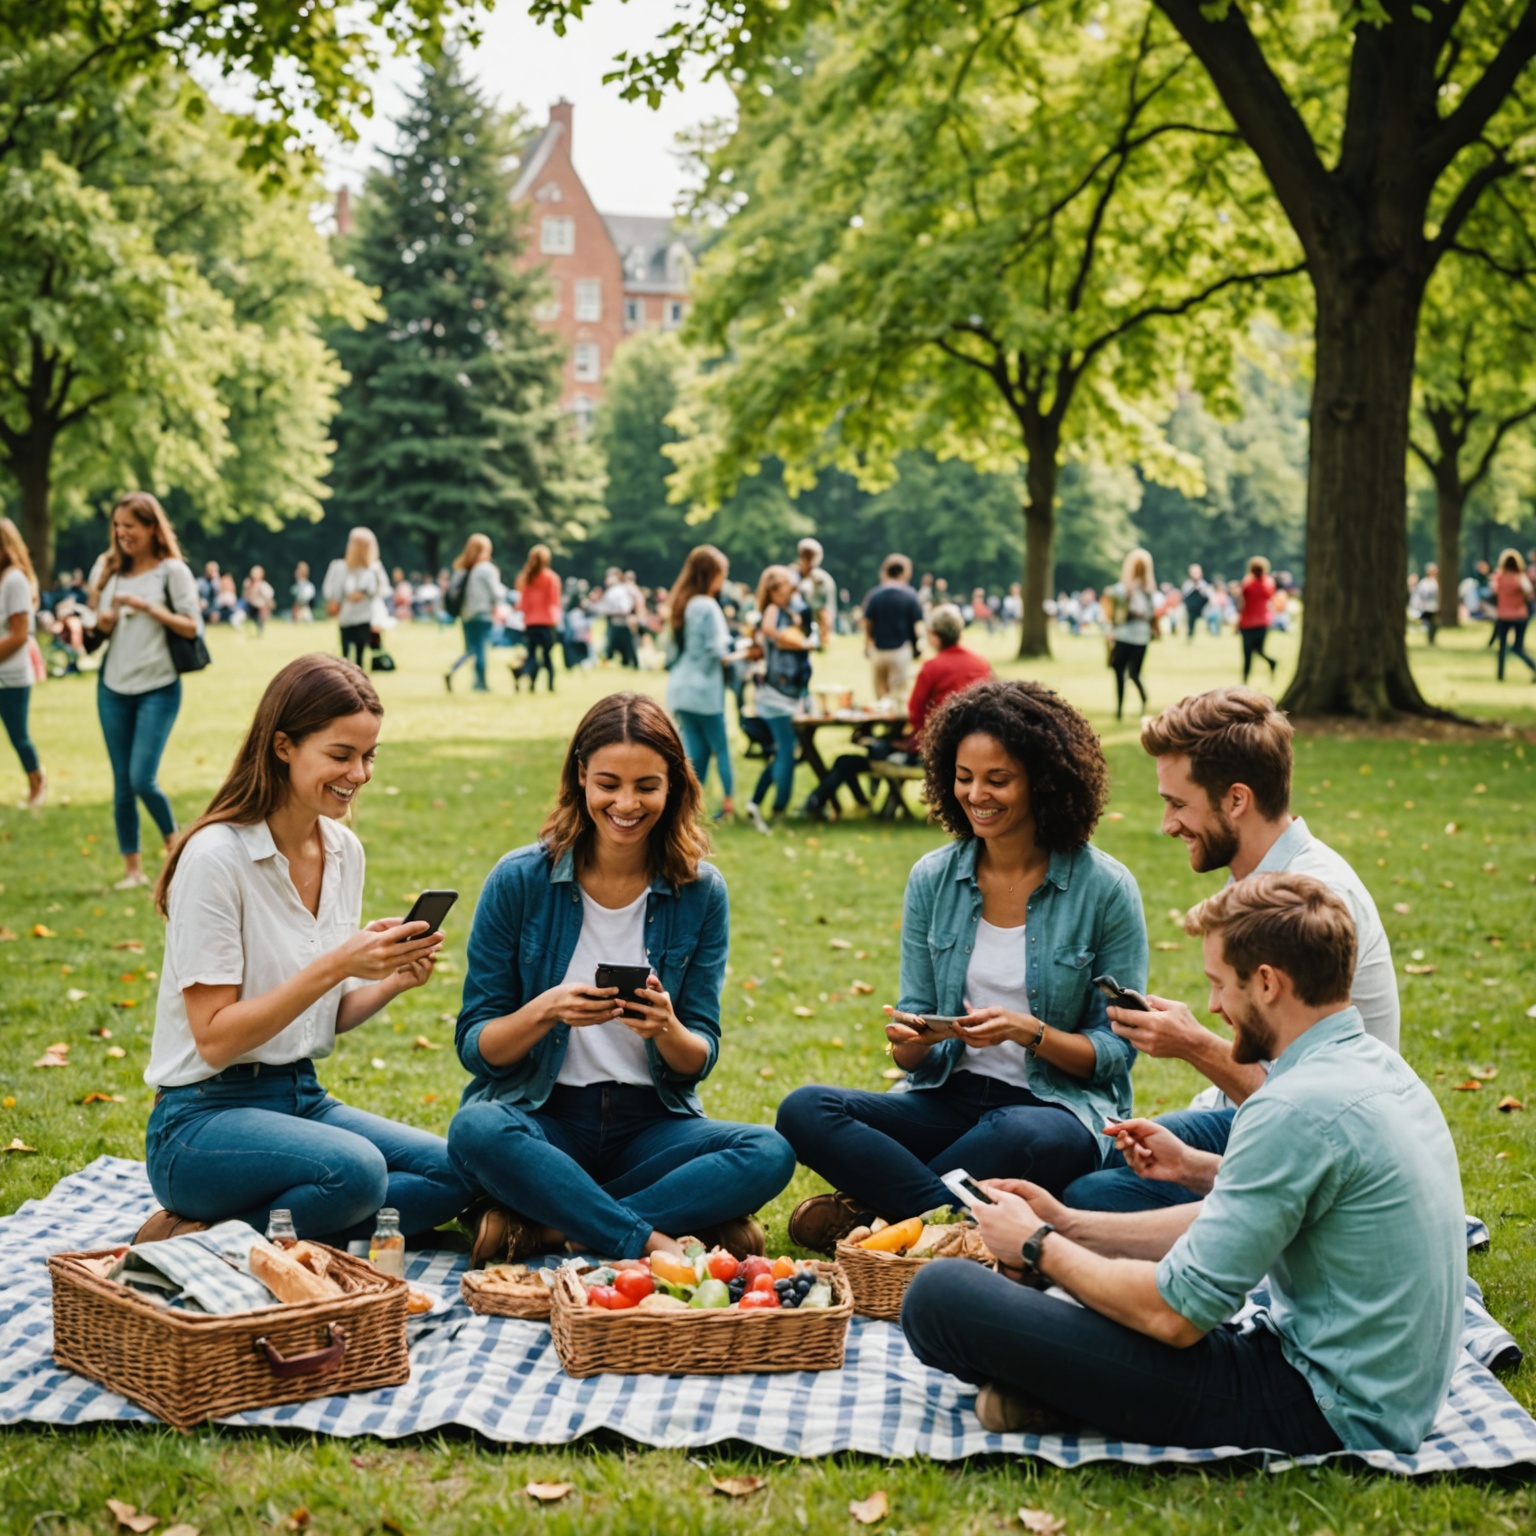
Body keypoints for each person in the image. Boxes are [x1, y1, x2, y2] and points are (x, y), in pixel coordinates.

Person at [903, 873, 1465, 1454]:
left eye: (1219, 985)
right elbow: (1265, 1208)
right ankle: (1054, 1389)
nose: (1214, 1007)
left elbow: (1174, 1315)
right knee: (1058, 1293)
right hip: (1388, 1394)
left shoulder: (1293, 1108)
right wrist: (1070, 1224)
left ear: (1267, 983)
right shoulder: (1376, 1068)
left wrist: (1037, 1244)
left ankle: (1057, 1391)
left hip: (1319, 1406)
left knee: (941, 1296)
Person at [778, 679, 1148, 1252]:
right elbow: (914, 1041)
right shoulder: (933, 878)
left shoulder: (1105, 888)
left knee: (1022, 1133)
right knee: (805, 1110)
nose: (977, 795)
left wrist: (1030, 1032)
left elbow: (1117, 1050)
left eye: (998, 779)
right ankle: (923, 1220)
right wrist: (913, 1040)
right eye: (964, 777)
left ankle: (877, 1213)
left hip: (1052, 1109)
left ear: (1043, 780)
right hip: (949, 1099)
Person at [447, 692, 796, 1264]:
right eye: (608, 784)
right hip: (544, 1119)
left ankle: (555, 1226)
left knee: (769, 1150)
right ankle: (653, 1234)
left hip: (649, 1127)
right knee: (476, 1129)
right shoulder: (518, 880)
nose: (626, 804)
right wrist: (547, 1010)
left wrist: (666, 1028)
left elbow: (698, 1057)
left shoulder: (702, 892)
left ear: (673, 786)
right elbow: (476, 1048)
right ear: (581, 776)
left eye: (646, 787)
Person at [135, 654, 473, 1245]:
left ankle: (248, 1233)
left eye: (369, 756)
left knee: (455, 1170)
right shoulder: (216, 858)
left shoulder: (343, 850)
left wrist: (390, 979)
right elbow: (214, 1038)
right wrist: (337, 964)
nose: (359, 774)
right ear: (283, 746)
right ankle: (197, 1243)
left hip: (300, 1097)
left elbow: (321, 1016)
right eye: (341, 755)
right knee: (355, 1172)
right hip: (201, 1118)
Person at [1063, 686, 1399, 1214]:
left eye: (1179, 804)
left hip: (1329, 1143)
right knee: (1096, 1157)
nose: (1168, 824)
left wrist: (1193, 1043)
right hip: (1259, 1114)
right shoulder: (1259, 879)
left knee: (1091, 1197)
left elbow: (1304, 1108)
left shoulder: (1305, 901)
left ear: (1237, 800)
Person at [87, 494, 204, 891]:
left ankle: (177, 851)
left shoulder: (172, 571)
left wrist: (148, 608)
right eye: (117, 526)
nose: (122, 533)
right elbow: (93, 631)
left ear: (152, 528)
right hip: (113, 687)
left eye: (130, 526)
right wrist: (101, 623)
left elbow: (192, 626)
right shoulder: (107, 569)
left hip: (158, 686)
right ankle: (132, 870)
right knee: (122, 783)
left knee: (142, 778)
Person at [802, 604, 989, 819]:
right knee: (866, 749)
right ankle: (863, 804)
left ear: (934, 635)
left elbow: (915, 713)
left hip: (932, 754)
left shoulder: (933, 667)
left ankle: (816, 803)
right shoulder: (981, 664)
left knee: (853, 757)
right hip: (970, 750)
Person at [665, 544, 738, 821]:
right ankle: (728, 805)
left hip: (681, 688)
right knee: (720, 748)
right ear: (712, 574)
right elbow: (719, 650)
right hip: (705, 691)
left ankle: (687, 807)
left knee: (694, 753)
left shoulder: (681, 603)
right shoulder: (707, 606)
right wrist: (744, 653)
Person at [744, 564, 815, 835]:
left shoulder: (788, 610)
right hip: (776, 697)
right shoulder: (773, 610)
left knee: (782, 753)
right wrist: (801, 642)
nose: (792, 589)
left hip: (785, 695)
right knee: (786, 752)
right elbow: (770, 631)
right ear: (774, 590)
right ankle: (778, 811)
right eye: (787, 585)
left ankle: (755, 803)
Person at [0, 517, 46, 808]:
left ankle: (37, 782)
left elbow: (19, 634)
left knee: (18, 736)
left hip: (11, 677)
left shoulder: (14, 580)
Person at [323, 528, 389, 670]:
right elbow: (332, 592)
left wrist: (364, 594)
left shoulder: (374, 569)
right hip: (347, 616)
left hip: (364, 616)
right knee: (345, 654)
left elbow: (383, 590)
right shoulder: (340, 567)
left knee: (359, 654)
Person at [862, 554, 924, 702]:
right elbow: (917, 624)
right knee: (899, 695)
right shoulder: (910, 594)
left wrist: (868, 643)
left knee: (881, 696)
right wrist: (917, 647)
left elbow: (868, 622)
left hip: (878, 650)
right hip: (900, 650)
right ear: (903, 572)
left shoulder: (875, 594)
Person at [444, 534, 501, 693]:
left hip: (466, 615)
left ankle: (454, 669)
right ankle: (480, 683)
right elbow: (497, 593)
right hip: (482, 614)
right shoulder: (486, 569)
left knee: (471, 650)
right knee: (481, 649)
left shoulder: (462, 569)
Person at [1105, 548, 1155, 720]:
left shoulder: (1145, 591)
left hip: (1135, 636)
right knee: (1123, 671)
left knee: (1131, 673)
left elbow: (1149, 612)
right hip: (1128, 635)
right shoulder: (1126, 590)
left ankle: (1139, 699)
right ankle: (1121, 708)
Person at [515, 544, 563, 693]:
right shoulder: (551, 578)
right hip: (547, 622)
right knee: (547, 656)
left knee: (532, 656)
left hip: (530, 623)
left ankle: (526, 680)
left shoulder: (527, 578)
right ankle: (550, 685)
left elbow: (523, 605)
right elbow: (555, 601)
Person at [1491, 547, 1536, 681]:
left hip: (1504, 616)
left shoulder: (1499, 577)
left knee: (1502, 647)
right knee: (1518, 648)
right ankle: (1533, 667)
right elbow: (1529, 594)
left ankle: (1500, 676)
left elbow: (1494, 590)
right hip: (1520, 615)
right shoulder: (1521, 577)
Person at [1238, 556, 1277, 682]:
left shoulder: (1247, 582)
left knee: (1248, 652)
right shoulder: (1269, 582)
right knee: (1258, 650)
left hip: (1248, 622)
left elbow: (1241, 603)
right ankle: (1271, 662)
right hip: (1262, 622)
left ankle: (1245, 679)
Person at [795, 538, 837, 651]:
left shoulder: (821, 580)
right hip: (796, 629)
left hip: (812, 628)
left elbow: (824, 611)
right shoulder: (790, 576)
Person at [595, 567, 639, 669]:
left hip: (620, 621)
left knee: (626, 644)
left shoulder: (620, 590)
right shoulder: (614, 590)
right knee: (614, 644)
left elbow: (625, 608)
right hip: (614, 621)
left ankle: (633, 663)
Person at [1180, 564, 1210, 642]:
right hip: (1190, 610)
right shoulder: (1187, 585)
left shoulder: (1204, 585)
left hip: (1203, 609)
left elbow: (1209, 598)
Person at [242, 566, 274, 636]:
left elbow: (268, 598)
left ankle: (259, 633)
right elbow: (245, 596)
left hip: (260, 607)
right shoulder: (248, 583)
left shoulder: (263, 586)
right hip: (250, 606)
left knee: (260, 621)